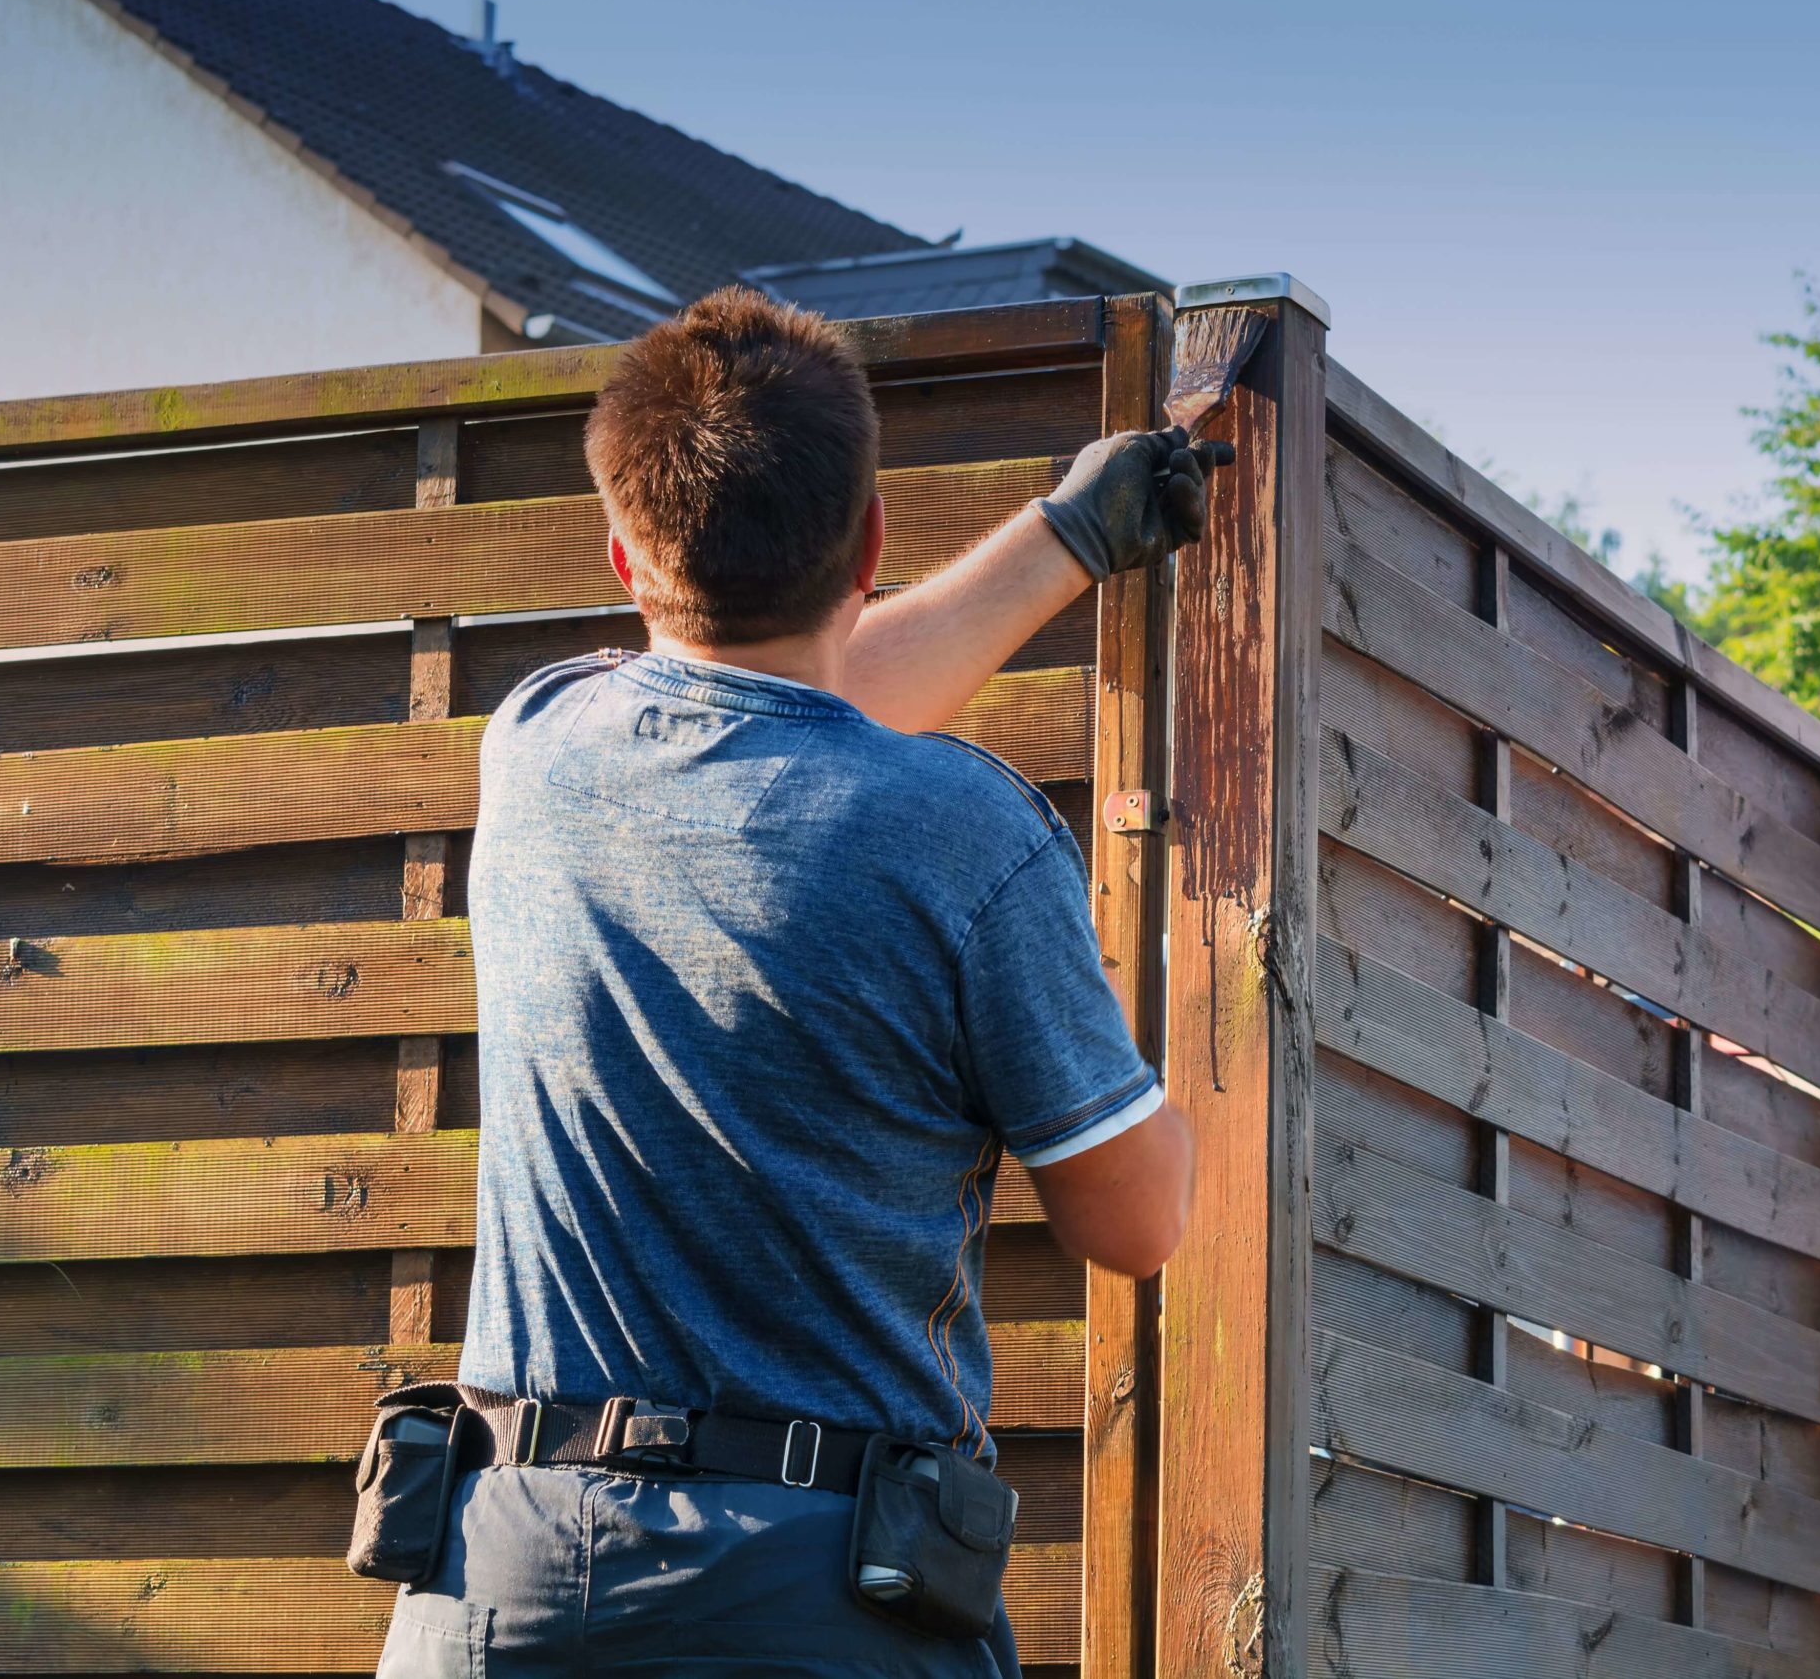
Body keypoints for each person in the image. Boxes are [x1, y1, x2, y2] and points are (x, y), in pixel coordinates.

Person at [375, 288, 1210, 1679]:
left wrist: (1064, 542)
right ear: (871, 536)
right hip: (821, 1599)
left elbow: (777, 717)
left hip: (497, 1583)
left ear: (625, 559)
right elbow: (1139, 1220)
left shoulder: (537, 748)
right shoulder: (971, 839)